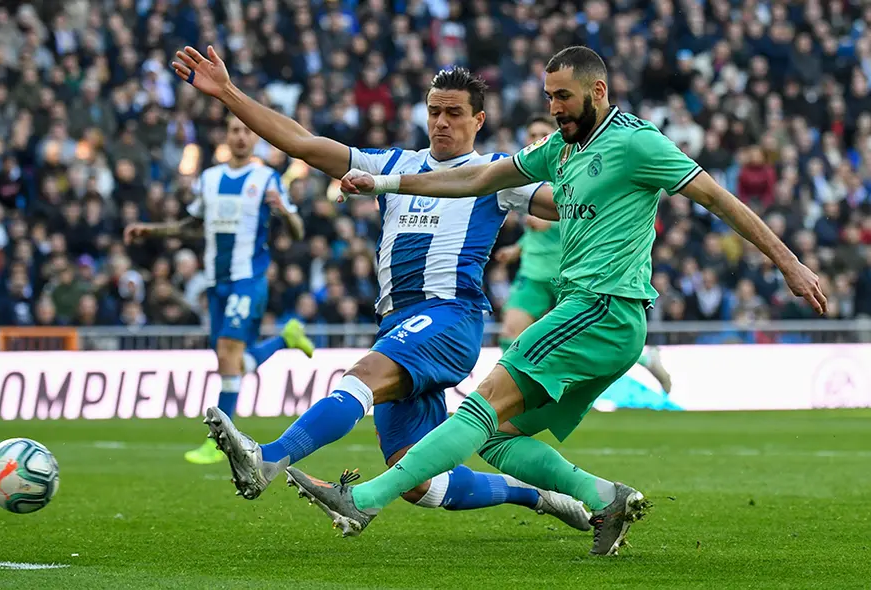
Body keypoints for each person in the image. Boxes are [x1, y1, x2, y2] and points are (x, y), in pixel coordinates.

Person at [283, 46, 827, 555]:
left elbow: (717, 198)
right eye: (548, 96)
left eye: (563, 96)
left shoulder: (637, 142)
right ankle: (604, 497)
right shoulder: (560, 150)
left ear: (599, 90)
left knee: (481, 403)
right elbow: (480, 178)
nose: (554, 107)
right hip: (600, 320)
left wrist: (788, 262)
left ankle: (365, 500)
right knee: (496, 436)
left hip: (601, 307)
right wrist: (385, 185)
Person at [171, 46, 591, 529]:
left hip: (450, 316)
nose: (441, 122)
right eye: (434, 111)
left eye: (454, 114)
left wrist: (601, 174)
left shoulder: (496, 173)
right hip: (401, 323)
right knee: (415, 479)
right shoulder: (392, 165)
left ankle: (267, 458)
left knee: (363, 374)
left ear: (478, 120)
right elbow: (304, 144)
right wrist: (227, 92)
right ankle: (536, 496)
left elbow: (564, 205)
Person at [124, 115, 315, 465]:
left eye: (247, 130)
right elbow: (192, 226)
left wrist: (285, 214)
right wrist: (151, 230)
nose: (241, 136)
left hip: (249, 278)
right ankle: (285, 338)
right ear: (226, 137)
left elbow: (299, 230)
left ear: (255, 138)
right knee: (231, 361)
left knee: (227, 351)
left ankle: (220, 441)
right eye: (234, 131)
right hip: (216, 281)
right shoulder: (209, 179)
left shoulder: (266, 178)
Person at [496, 114, 672, 394]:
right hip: (532, 274)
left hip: (567, 275)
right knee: (510, 331)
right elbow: (533, 233)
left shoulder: (569, 173)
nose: (534, 140)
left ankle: (645, 358)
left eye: (541, 134)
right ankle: (508, 394)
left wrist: (552, 218)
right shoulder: (532, 178)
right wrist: (515, 250)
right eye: (530, 135)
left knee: (588, 337)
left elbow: (586, 214)